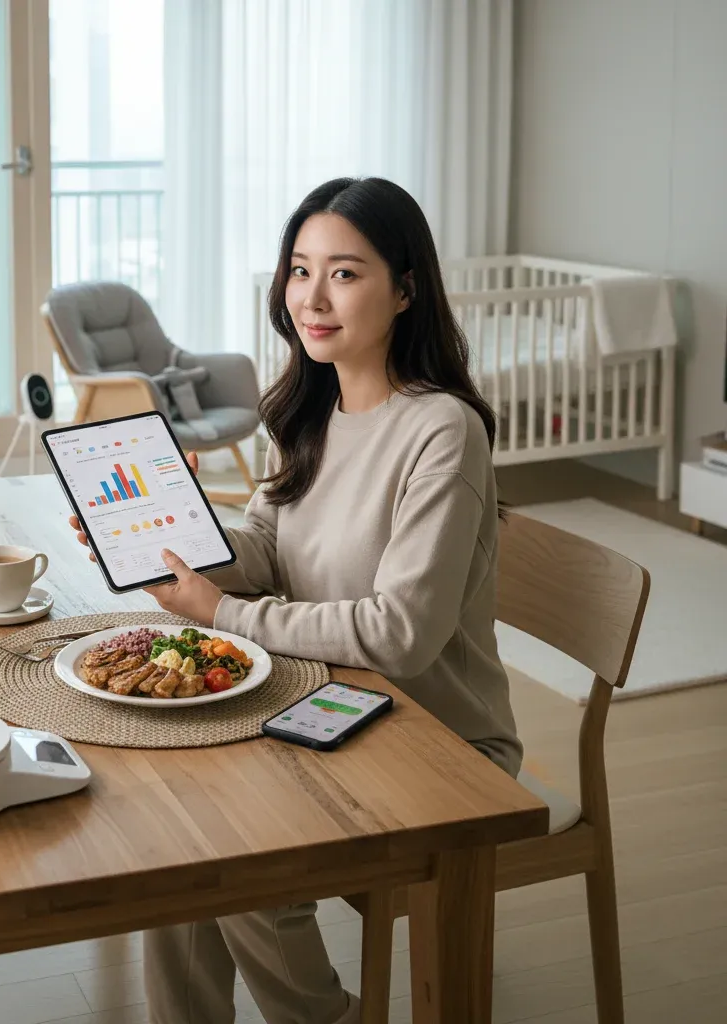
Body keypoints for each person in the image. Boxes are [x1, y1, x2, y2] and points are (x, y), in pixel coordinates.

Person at [68, 176, 522, 1024]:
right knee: (181, 826)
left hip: (437, 738)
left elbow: (402, 635)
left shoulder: (441, 429)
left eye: (345, 274)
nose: (312, 297)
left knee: (242, 853)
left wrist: (221, 613)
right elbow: (270, 550)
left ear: (406, 287)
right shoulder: (309, 405)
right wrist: (158, 540)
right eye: (300, 270)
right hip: (328, 697)